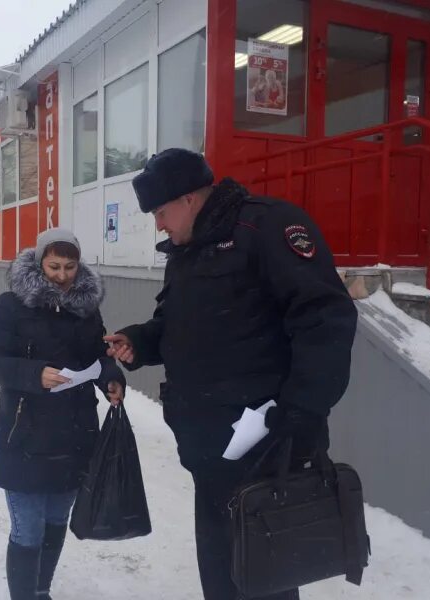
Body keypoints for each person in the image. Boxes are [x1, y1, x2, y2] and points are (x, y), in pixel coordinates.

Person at [104, 148, 358, 600]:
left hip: (266, 445)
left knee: (265, 576)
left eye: (160, 212)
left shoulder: (267, 227)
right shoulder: (187, 251)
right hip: (209, 451)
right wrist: (141, 341)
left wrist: (302, 410)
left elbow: (325, 319)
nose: (158, 225)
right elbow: (184, 326)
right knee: (222, 573)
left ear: (189, 199)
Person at [0, 228, 126, 600]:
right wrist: (33, 374)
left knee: (57, 522)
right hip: (24, 436)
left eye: (70, 267)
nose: (61, 275)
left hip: (74, 434)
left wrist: (110, 378)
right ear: (40, 261)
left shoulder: (86, 308)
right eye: (54, 266)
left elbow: (97, 355)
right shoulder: (12, 305)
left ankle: (41, 591)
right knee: (28, 531)